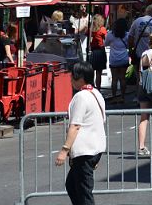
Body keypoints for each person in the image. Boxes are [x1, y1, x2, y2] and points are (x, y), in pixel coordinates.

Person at [54, 60, 106, 205]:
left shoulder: (81, 97)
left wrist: (64, 150)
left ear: (81, 78)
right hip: (94, 149)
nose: (70, 80)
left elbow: (75, 125)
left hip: (85, 151)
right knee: (73, 186)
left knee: (83, 192)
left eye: (73, 77)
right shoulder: (96, 93)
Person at [106, 18, 131, 103]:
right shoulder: (127, 35)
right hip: (124, 58)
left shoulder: (110, 34)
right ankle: (122, 97)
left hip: (114, 59)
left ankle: (114, 97)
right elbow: (129, 46)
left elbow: (106, 44)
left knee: (114, 79)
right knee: (122, 78)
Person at [88, 14, 108, 88]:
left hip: (93, 52)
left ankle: (91, 87)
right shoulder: (102, 29)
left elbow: (87, 37)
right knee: (99, 72)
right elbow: (107, 40)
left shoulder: (90, 29)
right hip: (100, 51)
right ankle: (98, 88)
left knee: (92, 71)